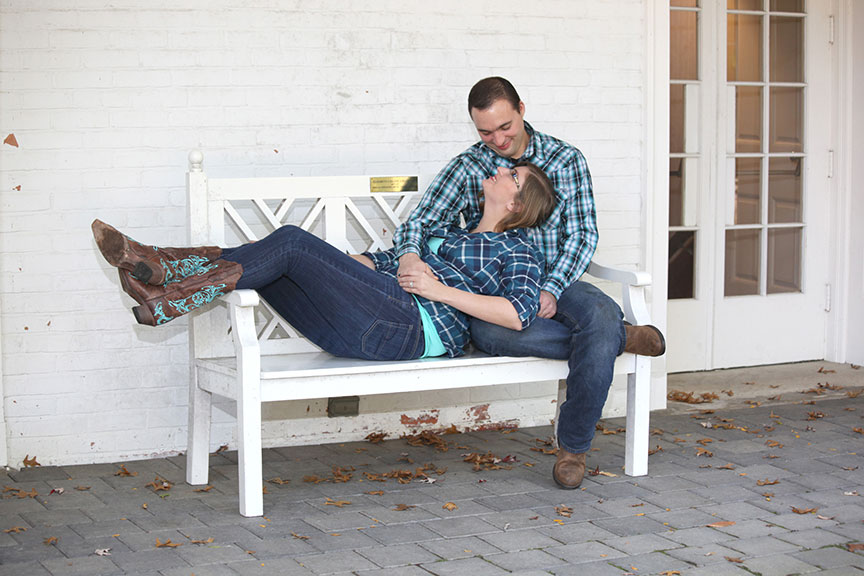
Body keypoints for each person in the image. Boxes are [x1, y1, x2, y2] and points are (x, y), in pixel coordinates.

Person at [390, 77, 666, 489]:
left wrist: (551, 287)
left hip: (561, 276)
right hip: (500, 286)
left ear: (521, 108)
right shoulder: (469, 166)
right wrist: (410, 255)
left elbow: (583, 235)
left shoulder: (564, 158)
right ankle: (617, 338)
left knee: (599, 313)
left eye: (505, 127)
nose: (497, 140)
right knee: (488, 332)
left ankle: (572, 447)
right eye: (485, 131)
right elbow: (420, 221)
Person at [91, 162, 556, 363]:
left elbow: (518, 313)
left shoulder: (517, 251)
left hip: (411, 328)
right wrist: (333, 265)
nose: (498, 169)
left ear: (518, 205)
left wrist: (438, 290)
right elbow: (383, 261)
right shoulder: (451, 233)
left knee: (290, 242)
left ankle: (163, 277)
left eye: (511, 175)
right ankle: (162, 282)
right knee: (275, 260)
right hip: (364, 328)